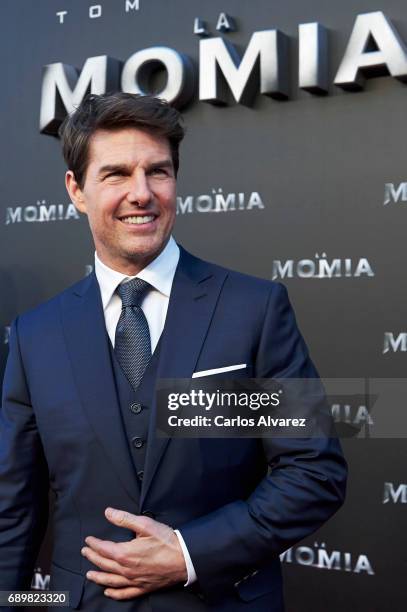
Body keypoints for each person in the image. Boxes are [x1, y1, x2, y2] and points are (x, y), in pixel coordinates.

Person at [0, 92, 347, 612]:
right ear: (76, 190)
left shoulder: (254, 309)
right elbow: (13, 511)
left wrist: (188, 554)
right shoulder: (36, 334)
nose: (141, 193)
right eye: (116, 174)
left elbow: (313, 472)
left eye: (157, 172)